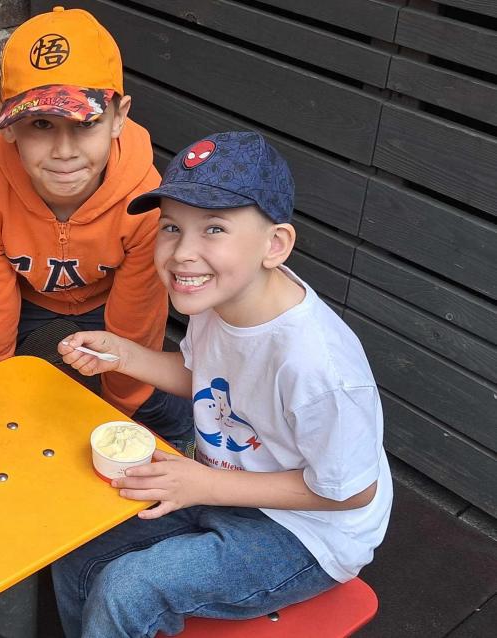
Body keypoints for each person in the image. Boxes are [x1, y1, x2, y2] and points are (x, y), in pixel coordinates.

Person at [52, 131, 393, 637]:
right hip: (223, 485)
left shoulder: (318, 367)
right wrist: (125, 356)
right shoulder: (219, 299)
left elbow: (350, 493)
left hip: (308, 534)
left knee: (127, 588)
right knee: (74, 550)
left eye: (214, 228)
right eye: (172, 227)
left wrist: (205, 484)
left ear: (275, 245)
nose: (183, 253)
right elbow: (207, 381)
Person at [0, 6, 192, 442]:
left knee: (148, 394)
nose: (64, 151)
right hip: (26, 291)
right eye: (40, 124)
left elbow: (137, 318)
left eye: (86, 123)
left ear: (119, 117)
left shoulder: (145, 197)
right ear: (6, 123)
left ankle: (185, 436)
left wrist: (118, 416)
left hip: (107, 294)